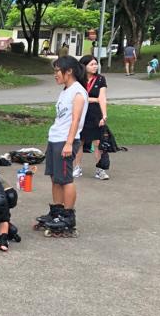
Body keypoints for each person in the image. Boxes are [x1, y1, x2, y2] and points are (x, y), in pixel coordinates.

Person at [38, 56, 88, 235]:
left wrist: (68, 143)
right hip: (55, 138)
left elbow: (75, 120)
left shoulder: (78, 92)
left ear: (69, 71)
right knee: (54, 177)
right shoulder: (65, 91)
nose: (55, 75)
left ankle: (68, 216)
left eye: (57, 71)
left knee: (65, 179)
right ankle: (57, 212)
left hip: (66, 141)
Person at [74, 55, 109, 180]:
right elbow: (74, 96)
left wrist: (104, 115)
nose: (95, 66)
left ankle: (100, 170)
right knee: (79, 142)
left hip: (95, 114)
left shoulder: (100, 79)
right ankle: (77, 167)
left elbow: (102, 98)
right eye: (92, 64)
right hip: (80, 112)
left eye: (96, 64)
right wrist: (93, 99)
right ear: (84, 66)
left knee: (98, 142)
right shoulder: (78, 79)